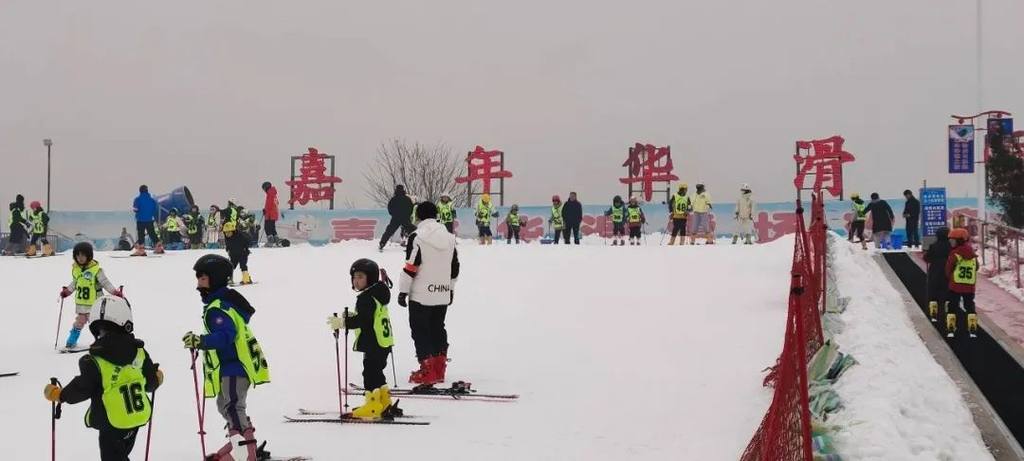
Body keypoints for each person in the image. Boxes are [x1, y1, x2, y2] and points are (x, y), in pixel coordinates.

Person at [43, 296, 162, 461]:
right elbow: (150, 384)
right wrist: (157, 377)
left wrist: (60, 395)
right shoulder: (139, 352)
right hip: (136, 420)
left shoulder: (95, 361)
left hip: (111, 424)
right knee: (120, 454)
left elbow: (82, 387)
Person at [183, 254, 271, 460]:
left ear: (215, 279)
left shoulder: (218, 309)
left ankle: (246, 454)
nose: (198, 284)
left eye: (202, 279)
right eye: (198, 279)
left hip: (235, 367)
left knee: (232, 407)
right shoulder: (221, 303)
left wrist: (201, 341)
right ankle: (241, 444)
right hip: (229, 367)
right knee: (226, 405)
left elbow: (227, 336)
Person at [326, 259, 398, 420]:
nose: (355, 281)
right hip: (383, 342)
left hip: (374, 342)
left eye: (360, 277)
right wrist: (353, 317)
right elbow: (369, 317)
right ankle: (384, 402)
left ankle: (373, 406)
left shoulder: (366, 298)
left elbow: (364, 321)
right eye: (354, 277)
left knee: (370, 373)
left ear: (370, 278)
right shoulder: (377, 294)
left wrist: (344, 322)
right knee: (377, 372)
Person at [398, 202, 459, 386]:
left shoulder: (417, 237)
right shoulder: (449, 238)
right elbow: (455, 267)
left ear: (419, 216)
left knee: (420, 331)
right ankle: (439, 369)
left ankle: (427, 370)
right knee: (438, 328)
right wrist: (450, 289)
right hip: (441, 293)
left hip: (420, 295)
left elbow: (411, 267)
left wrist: (403, 292)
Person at [59, 242, 124, 350]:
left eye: (83, 255)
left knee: (97, 324)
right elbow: (75, 283)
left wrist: (115, 292)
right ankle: (71, 341)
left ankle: (103, 341)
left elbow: (105, 283)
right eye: (77, 255)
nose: (80, 258)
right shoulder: (76, 270)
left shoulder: (96, 270)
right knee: (78, 323)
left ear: (89, 256)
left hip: (95, 304)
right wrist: (67, 292)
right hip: (81, 304)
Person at [945, 228, 978, 337]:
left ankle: (951, 327)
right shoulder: (972, 254)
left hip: (955, 286)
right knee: (970, 305)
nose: (951, 242)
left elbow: (948, 269)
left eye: (952, 240)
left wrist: (950, 278)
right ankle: (972, 327)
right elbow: (976, 267)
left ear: (959, 241)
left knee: (952, 305)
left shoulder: (955, 253)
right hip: (969, 286)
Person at [924, 227, 952, 322]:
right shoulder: (951, 247)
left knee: (933, 293)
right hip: (947, 273)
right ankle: (944, 311)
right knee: (945, 292)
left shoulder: (933, 246)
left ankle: (933, 313)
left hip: (934, 272)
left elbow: (927, 258)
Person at [379, 185, 414, 251]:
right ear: (403, 190)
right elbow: (411, 208)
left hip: (395, 218)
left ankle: (382, 243)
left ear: (396, 190)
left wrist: (394, 214)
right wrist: (407, 215)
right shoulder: (407, 199)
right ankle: (414, 245)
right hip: (405, 218)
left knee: (389, 231)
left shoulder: (393, 199)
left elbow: (390, 208)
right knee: (412, 231)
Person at [131, 185, 162, 256]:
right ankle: (159, 247)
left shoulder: (137, 199)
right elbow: (154, 210)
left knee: (141, 234)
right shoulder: (152, 200)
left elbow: (135, 209)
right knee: (152, 233)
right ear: (147, 191)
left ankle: (141, 250)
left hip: (140, 220)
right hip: (149, 220)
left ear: (140, 190)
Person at [223, 218, 253, 285]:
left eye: (229, 232)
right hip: (233, 255)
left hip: (243, 254)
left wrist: (246, 248)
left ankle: (246, 279)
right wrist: (227, 249)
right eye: (226, 232)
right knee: (231, 266)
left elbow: (247, 241)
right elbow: (228, 245)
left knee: (243, 265)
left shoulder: (240, 235)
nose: (227, 234)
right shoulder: (227, 238)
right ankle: (229, 279)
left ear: (233, 231)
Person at [262, 182, 280, 247]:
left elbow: (269, 205)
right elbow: (277, 203)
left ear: (266, 187)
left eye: (264, 188)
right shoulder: (273, 194)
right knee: (272, 228)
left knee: (267, 228)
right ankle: (277, 240)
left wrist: (265, 210)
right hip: (274, 214)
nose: (264, 190)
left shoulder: (270, 194)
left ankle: (270, 242)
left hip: (270, 214)